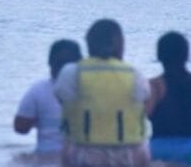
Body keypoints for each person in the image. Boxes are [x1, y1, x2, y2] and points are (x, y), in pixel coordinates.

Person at [54, 19, 151, 167]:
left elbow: (62, 100)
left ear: (89, 44)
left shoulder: (72, 72)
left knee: (67, 143)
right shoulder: (134, 73)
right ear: (120, 45)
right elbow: (144, 101)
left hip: (85, 151)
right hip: (128, 152)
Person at [148, 32, 191, 164]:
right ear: (187, 56)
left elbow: (138, 118)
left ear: (159, 56)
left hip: (161, 151)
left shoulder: (155, 86)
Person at [14, 39, 82, 156]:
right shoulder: (90, 90)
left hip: (45, 156)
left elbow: (20, 128)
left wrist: (38, 119)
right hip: (80, 157)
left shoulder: (37, 90)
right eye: (61, 64)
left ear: (49, 62)